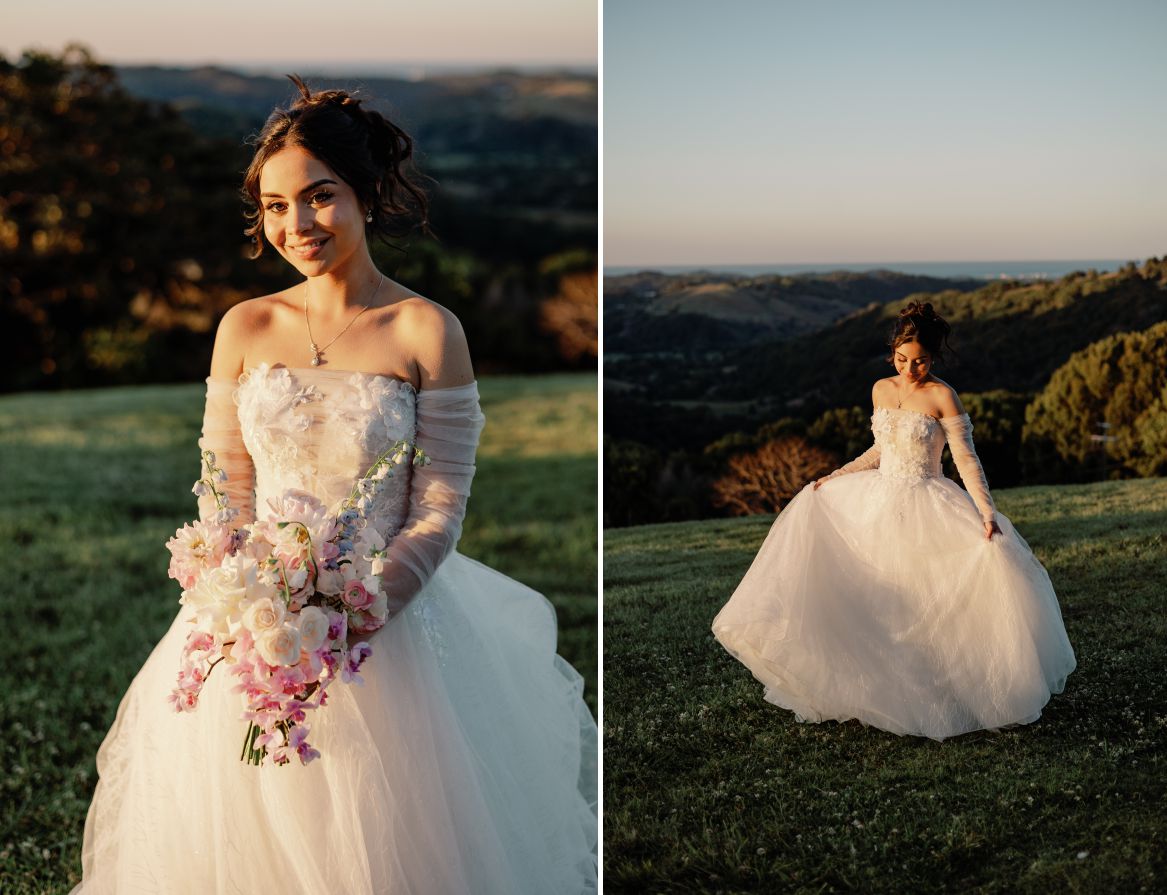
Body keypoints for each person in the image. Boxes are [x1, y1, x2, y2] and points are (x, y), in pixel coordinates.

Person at [71, 77, 597, 894]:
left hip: (390, 624)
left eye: (319, 197)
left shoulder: (428, 329)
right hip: (251, 622)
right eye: (275, 207)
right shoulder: (244, 326)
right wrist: (245, 593)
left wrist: (363, 605)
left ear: (366, 195)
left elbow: (440, 501)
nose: (297, 224)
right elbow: (223, 485)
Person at [711, 301, 1075, 740]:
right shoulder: (881, 389)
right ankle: (877, 688)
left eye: (920, 360)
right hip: (878, 499)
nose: (911, 368)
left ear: (933, 356)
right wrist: (835, 476)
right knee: (877, 599)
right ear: (892, 354)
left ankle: (941, 690)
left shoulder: (943, 396)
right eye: (902, 359)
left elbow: (966, 459)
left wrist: (985, 511)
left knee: (930, 599)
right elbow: (879, 451)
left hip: (928, 500)